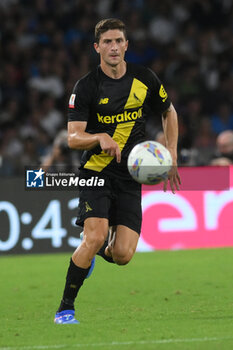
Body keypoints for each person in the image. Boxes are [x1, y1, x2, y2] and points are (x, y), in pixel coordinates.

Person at [54, 18, 180, 324]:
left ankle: (92, 252)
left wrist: (172, 155)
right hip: (95, 171)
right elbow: (73, 138)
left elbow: (168, 111)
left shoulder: (144, 78)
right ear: (97, 47)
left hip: (130, 176)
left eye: (118, 41)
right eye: (107, 42)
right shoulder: (86, 87)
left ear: (126, 45)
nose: (113, 47)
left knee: (122, 255)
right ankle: (65, 308)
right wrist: (99, 138)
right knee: (95, 237)